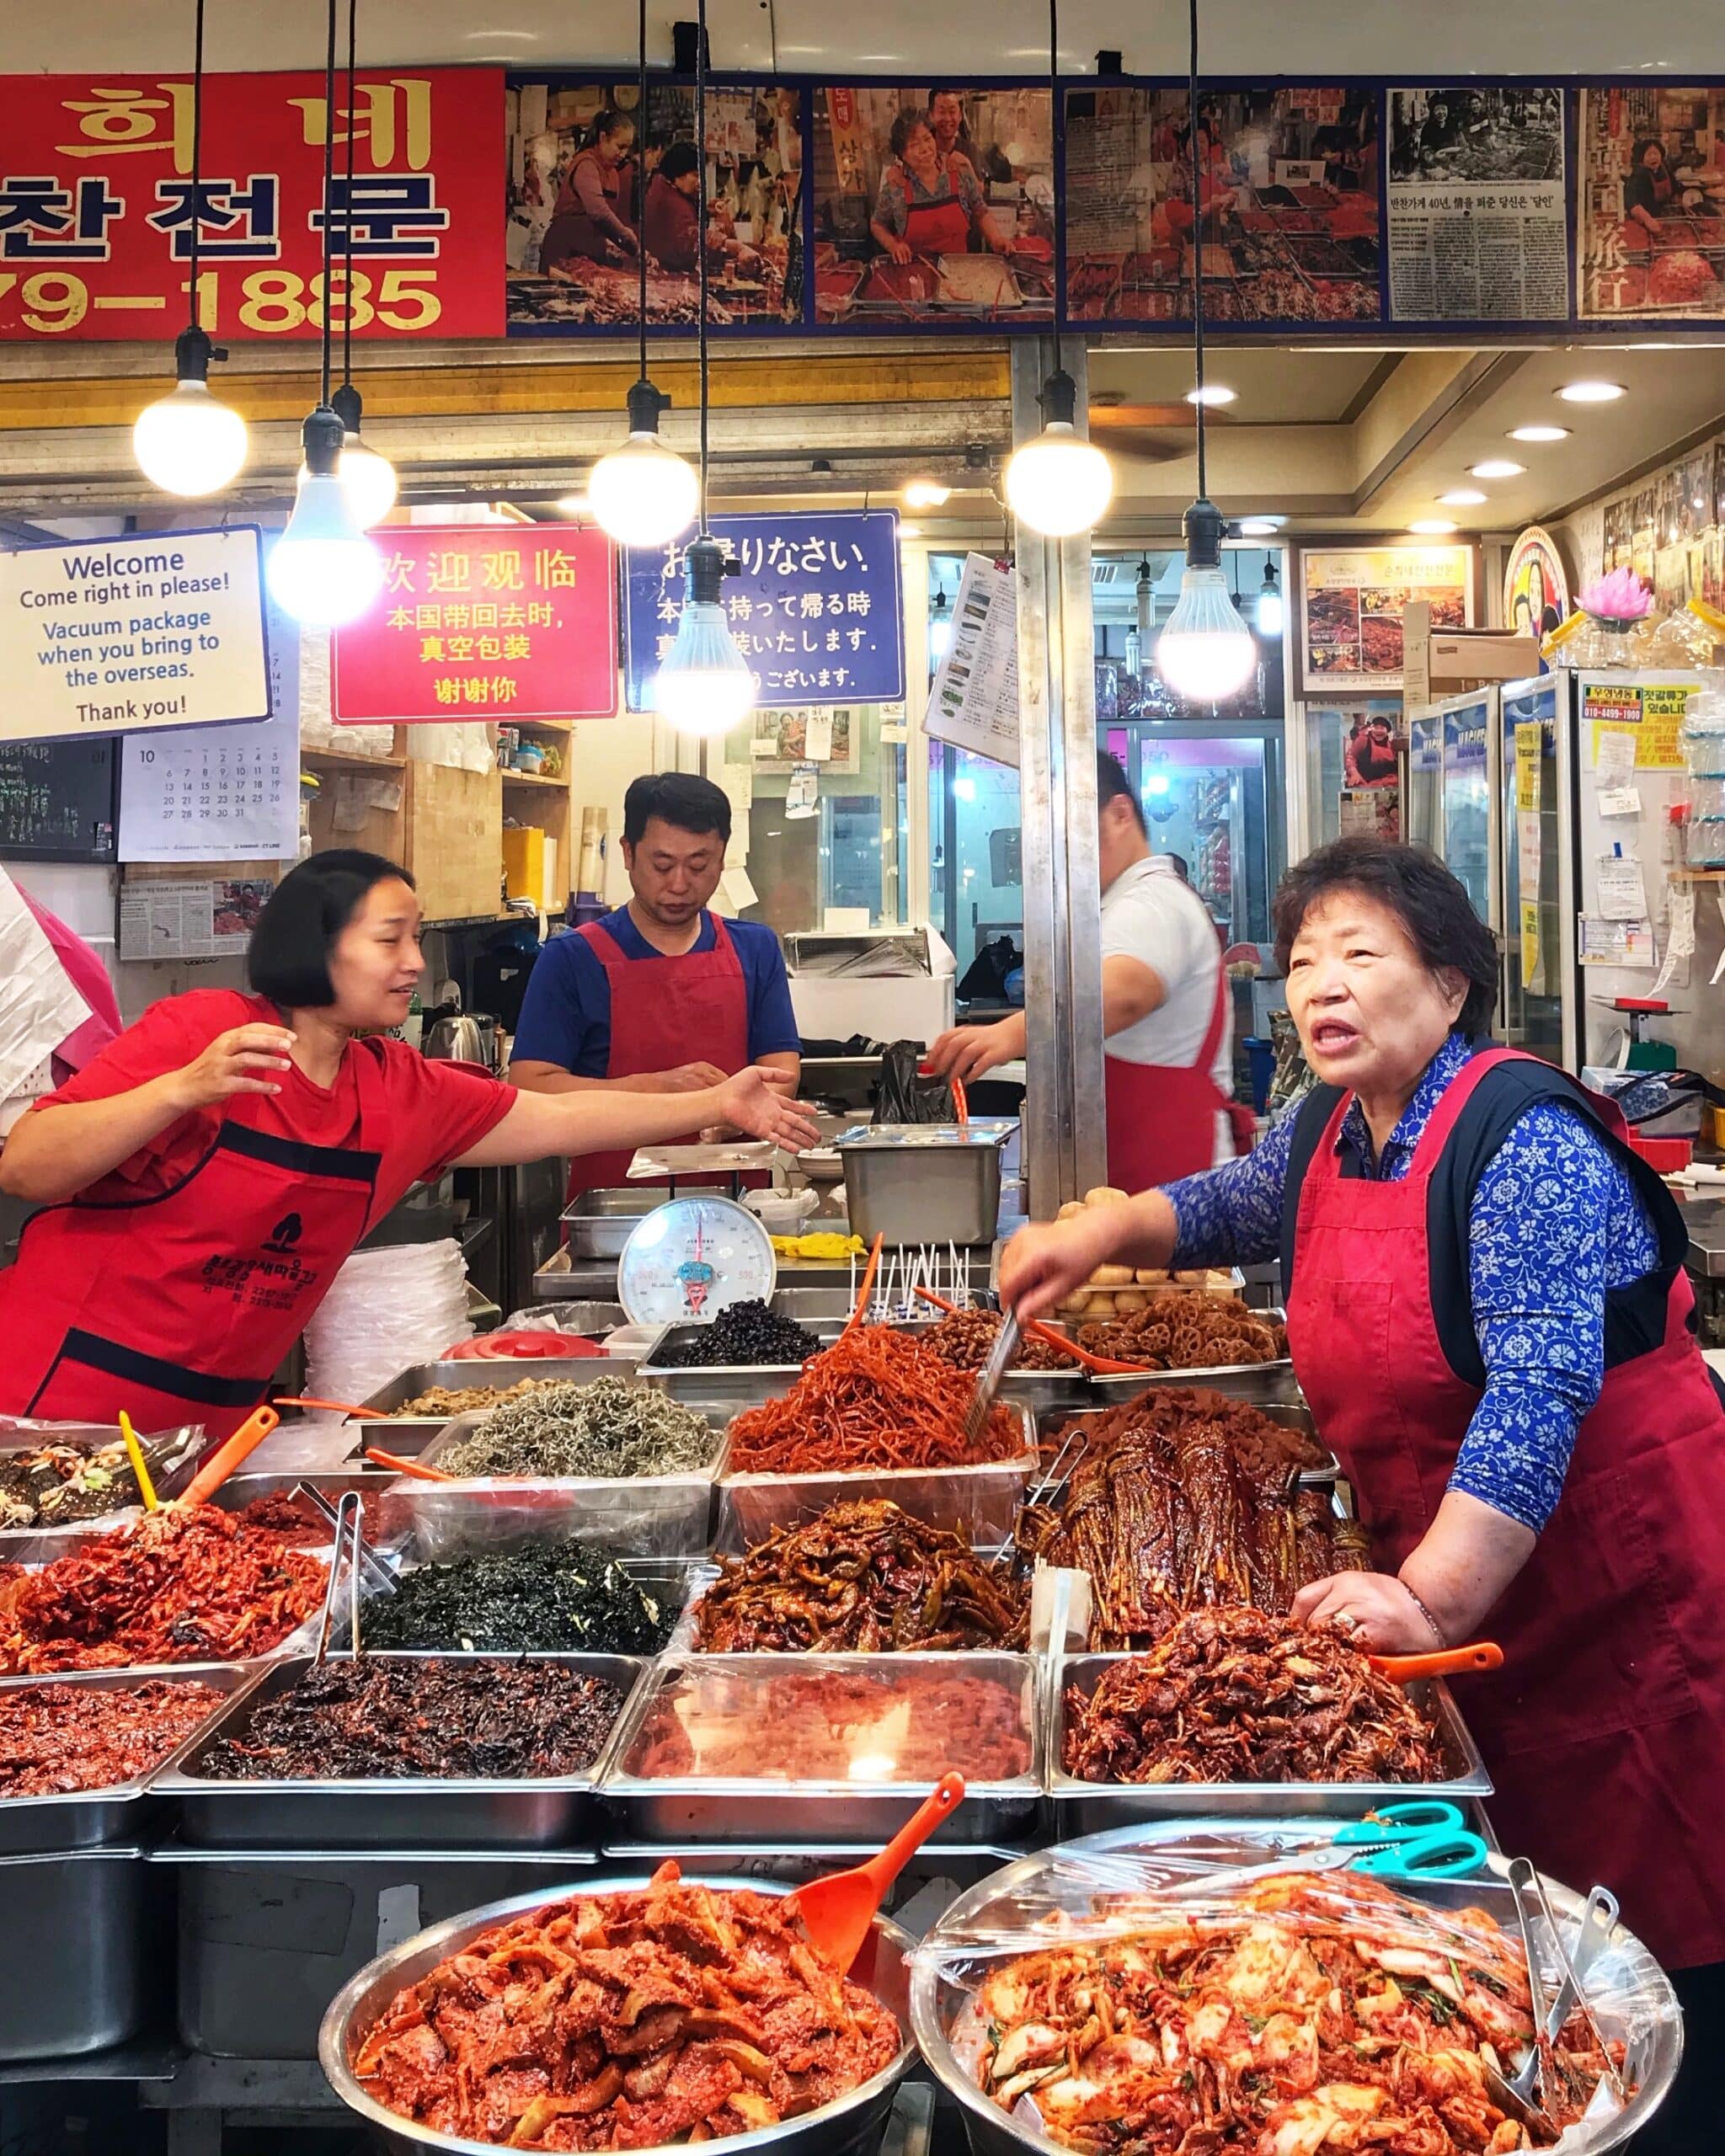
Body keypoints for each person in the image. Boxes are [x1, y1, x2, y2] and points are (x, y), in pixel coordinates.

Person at [999, 837, 1725, 2133]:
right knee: (1516, 1938)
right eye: (1301, 964)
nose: (1321, 987)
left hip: (1624, 1584)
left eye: (1361, 956)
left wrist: (1437, 1598)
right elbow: (1240, 1201)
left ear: (1449, 987)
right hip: (1477, 1584)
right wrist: (1104, 1230)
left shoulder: (1521, 1136)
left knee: (1662, 1923)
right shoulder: (1339, 1119)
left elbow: (1539, 1390)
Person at [0, 851, 815, 1441]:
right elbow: (30, 1164)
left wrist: (716, 1098)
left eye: (415, 939)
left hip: (209, 1432)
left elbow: (552, 1120)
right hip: (59, 1408)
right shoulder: (201, 1030)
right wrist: (177, 1090)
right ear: (317, 946)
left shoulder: (395, 1085)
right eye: (391, 940)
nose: (415, 963)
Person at [925, 751, 1231, 1184]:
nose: (1062, 855)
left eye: (1072, 836)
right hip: (1142, 1191)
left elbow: (1124, 993)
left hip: (1182, 1195)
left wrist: (1008, 1034)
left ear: (1120, 815)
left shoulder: (1152, 902)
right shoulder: (1124, 904)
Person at [510, 773, 801, 1199]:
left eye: (700, 865)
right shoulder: (571, 958)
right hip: (615, 1210)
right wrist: (657, 1088)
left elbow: (782, 1071)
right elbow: (531, 1086)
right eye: (662, 865)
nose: (680, 884)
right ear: (628, 853)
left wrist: (731, 1116)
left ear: (722, 858)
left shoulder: (754, 948)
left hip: (736, 1206)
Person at [870, 109, 1004, 264]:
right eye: (914, 144)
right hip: (915, 272)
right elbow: (877, 224)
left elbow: (981, 212)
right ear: (902, 155)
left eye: (928, 139)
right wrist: (893, 245)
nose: (925, 148)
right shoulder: (896, 186)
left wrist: (996, 239)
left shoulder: (958, 171)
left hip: (958, 269)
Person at [541, 108, 640, 274]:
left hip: (589, 253)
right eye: (620, 146)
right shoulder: (586, 164)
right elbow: (598, 212)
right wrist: (628, 241)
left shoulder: (613, 172)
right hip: (565, 250)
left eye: (627, 148)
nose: (624, 154)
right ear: (603, 138)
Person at [643, 143, 761, 276]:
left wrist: (707, 210)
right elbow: (692, 240)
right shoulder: (669, 201)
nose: (699, 181)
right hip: (666, 276)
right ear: (678, 174)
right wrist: (736, 247)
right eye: (695, 175)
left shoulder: (665, 187)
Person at [1624, 136, 1675, 242]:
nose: (1653, 157)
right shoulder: (1638, 174)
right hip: (1644, 223)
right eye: (1649, 154)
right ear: (1642, 158)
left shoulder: (1664, 169)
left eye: (1656, 154)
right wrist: (1647, 219)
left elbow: (1675, 188)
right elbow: (1632, 202)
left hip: (1664, 218)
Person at [1344, 710, 1398, 787]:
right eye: (1376, 727)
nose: (1379, 731)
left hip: (1385, 787)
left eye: (1382, 728)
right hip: (1363, 786)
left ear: (1387, 731)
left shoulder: (1392, 746)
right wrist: (1354, 774)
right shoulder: (1363, 740)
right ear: (1371, 729)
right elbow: (1351, 758)